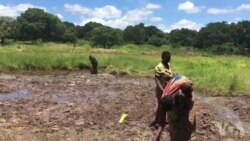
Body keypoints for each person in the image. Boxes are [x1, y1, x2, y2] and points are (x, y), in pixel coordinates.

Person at [154, 75, 195, 141]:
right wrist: (157, 136)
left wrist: (183, 111)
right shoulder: (163, 102)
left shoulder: (181, 94)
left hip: (184, 86)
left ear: (173, 103)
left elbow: (188, 104)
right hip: (174, 98)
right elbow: (161, 123)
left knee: (185, 119)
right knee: (173, 123)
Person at [150, 51, 174, 127]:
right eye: (167, 58)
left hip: (168, 89)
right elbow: (156, 79)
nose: (168, 60)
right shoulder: (158, 67)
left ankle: (162, 120)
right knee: (161, 105)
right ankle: (157, 121)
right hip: (161, 90)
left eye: (169, 58)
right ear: (162, 58)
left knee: (165, 105)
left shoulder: (168, 65)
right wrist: (161, 89)